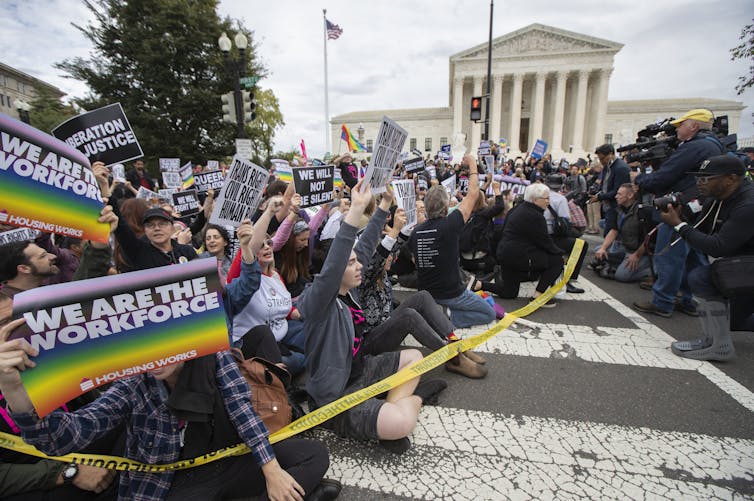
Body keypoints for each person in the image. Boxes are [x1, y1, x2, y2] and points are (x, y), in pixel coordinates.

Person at [0, 221, 338, 501]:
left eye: (162, 340)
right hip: (171, 484)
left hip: (225, 462)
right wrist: (15, 392)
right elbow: (62, 438)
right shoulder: (134, 386)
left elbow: (242, 411)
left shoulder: (214, 356)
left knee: (313, 456)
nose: (155, 356)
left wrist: (271, 469)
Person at [299, 179, 444, 455]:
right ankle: (411, 402)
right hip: (335, 399)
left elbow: (363, 247)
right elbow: (339, 256)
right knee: (401, 423)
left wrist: (384, 206)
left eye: (356, 262)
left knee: (415, 358)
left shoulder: (349, 288)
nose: (358, 266)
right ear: (333, 269)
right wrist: (355, 208)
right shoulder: (318, 302)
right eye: (350, 263)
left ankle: (390, 406)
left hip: (359, 371)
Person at [658, 155, 754, 361]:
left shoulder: (748, 204)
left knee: (702, 277)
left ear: (731, 179)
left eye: (707, 178)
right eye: (699, 178)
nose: (700, 183)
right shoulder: (718, 199)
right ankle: (713, 340)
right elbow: (701, 228)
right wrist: (680, 215)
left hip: (746, 266)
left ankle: (719, 347)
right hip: (743, 264)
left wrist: (678, 225)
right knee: (732, 321)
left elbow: (718, 246)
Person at [632, 109, 725, 318]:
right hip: (699, 209)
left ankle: (663, 301)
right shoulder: (713, 145)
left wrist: (639, 180)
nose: (677, 130)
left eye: (681, 125)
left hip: (680, 209)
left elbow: (665, 175)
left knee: (669, 256)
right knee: (693, 257)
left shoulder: (696, 147)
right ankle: (688, 299)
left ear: (693, 126)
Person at [409, 155, 496, 328]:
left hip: (427, 294)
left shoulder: (416, 232)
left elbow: (414, 260)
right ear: (446, 205)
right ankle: (447, 317)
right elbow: (473, 195)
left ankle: (437, 313)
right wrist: (472, 164)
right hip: (452, 293)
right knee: (489, 313)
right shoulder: (451, 224)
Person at [495, 183, 564, 305]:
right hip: (518, 256)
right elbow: (545, 242)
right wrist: (560, 253)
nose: (549, 201)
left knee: (509, 292)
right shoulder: (535, 216)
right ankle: (538, 296)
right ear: (535, 200)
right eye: (546, 198)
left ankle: (478, 284)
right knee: (557, 261)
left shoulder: (516, 208)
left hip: (505, 254)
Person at [590, 184, 653, 282]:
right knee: (598, 251)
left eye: (619, 194)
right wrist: (603, 248)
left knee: (622, 276)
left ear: (630, 195)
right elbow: (614, 230)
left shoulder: (643, 211)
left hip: (639, 251)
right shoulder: (618, 209)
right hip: (624, 247)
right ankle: (620, 265)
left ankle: (653, 272)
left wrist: (637, 255)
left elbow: (650, 237)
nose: (616, 196)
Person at [543, 174, 587, 294]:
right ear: (561, 186)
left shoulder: (538, 196)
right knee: (581, 245)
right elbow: (565, 219)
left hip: (537, 234)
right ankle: (570, 278)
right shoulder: (560, 199)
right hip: (552, 235)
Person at [592, 144, 631, 237]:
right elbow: (604, 184)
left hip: (616, 206)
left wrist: (600, 197)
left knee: (611, 232)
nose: (601, 162)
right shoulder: (607, 166)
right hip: (608, 205)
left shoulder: (621, 168)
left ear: (610, 154)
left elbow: (618, 191)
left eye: (602, 158)